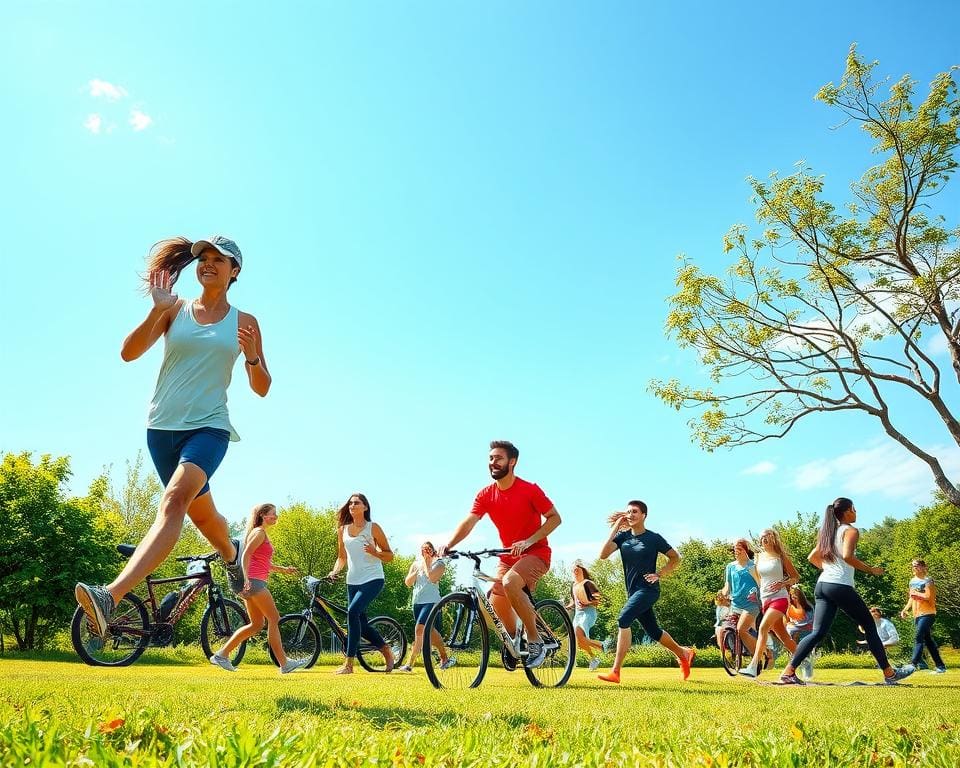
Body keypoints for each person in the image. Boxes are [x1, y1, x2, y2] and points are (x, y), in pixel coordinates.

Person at [76, 236, 269, 639]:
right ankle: (232, 554)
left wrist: (251, 356)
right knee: (202, 516)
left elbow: (262, 386)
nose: (209, 264)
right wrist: (155, 311)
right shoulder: (174, 309)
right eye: (204, 258)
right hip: (161, 430)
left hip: (209, 428)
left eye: (220, 260)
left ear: (235, 272)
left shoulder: (245, 321)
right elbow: (128, 353)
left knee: (174, 501)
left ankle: (110, 596)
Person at [439, 440, 561, 670]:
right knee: (490, 606)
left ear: (512, 462)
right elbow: (469, 521)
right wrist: (449, 544)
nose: (493, 462)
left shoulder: (529, 489)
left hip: (536, 553)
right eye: (491, 458)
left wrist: (528, 541)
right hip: (508, 557)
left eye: (498, 458)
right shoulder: (486, 494)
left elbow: (555, 518)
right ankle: (515, 640)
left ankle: (535, 641)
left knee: (509, 582)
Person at [778, 497, 916, 686]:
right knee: (869, 625)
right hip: (839, 585)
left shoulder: (828, 532)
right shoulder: (850, 531)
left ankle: (788, 673)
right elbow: (847, 556)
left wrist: (828, 570)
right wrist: (870, 569)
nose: (856, 512)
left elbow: (812, 557)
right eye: (854, 509)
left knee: (817, 633)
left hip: (823, 585)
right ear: (847, 511)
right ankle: (890, 673)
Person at [596, 501, 695, 684]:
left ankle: (615, 671)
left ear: (644, 516)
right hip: (633, 592)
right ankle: (684, 653)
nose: (630, 515)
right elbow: (603, 554)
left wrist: (660, 574)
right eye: (628, 512)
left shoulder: (653, 538)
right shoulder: (623, 537)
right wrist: (617, 527)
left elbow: (675, 558)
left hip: (648, 590)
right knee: (653, 632)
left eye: (634, 512)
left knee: (623, 619)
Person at [209, 503, 308, 674]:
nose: (276, 517)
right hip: (254, 582)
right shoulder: (259, 533)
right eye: (272, 514)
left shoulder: (259, 533)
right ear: (262, 515)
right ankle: (284, 663)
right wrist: (247, 578)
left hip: (253, 582)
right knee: (274, 619)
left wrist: (282, 569)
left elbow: (261, 562)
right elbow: (246, 555)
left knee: (256, 624)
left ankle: (222, 654)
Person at [327, 493, 396, 675]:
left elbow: (390, 556)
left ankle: (349, 664)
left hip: (373, 579)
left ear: (365, 507)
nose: (352, 505)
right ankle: (386, 650)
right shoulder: (343, 530)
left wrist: (375, 552)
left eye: (356, 503)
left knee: (352, 613)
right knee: (360, 624)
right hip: (353, 581)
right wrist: (334, 571)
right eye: (350, 503)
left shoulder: (373, 528)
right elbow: (341, 558)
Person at [739, 528, 800, 678]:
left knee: (763, 627)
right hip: (765, 599)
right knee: (784, 637)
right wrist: (754, 592)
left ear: (773, 538)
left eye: (767, 536)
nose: (764, 539)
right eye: (762, 537)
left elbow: (795, 577)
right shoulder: (759, 557)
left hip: (780, 598)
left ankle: (753, 666)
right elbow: (760, 580)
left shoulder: (780, 556)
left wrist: (783, 583)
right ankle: (804, 660)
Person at [399, 541, 453, 672]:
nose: (425, 551)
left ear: (433, 550)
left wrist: (427, 564)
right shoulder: (416, 564)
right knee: (425, 633)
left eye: (428, 549)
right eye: (423, 549)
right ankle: (443, 658)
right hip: (417, 602)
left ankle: (411, 663)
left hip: (432, 601)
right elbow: (408, 582)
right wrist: (416, 571)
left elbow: (432, 578)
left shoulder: (439, 563)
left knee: (420, 629)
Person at [901, 560, 946, 673]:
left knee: (918, 636)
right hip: (917, 614)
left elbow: (929, 597)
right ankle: (940, 666)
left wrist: (916, 594)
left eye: (916, 566)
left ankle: (913, 664)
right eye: (913, 566)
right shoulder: (912, 581)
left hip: (928, 613)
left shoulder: (928, 581)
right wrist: (905, 609)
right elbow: (911, 598)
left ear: (924, 567)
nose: (914, 568)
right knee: (928, 641)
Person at [721, 538, 761, 662]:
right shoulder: (730, 566)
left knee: (744, 629)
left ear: (746, 550)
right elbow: (728, 584)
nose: (736, 551)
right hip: (735, 604)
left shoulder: (753, 565)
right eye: (735, 549)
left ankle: (757, 658)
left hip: (751, 603)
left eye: (739, 549)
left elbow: (760, 584)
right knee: (727, 627)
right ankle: (733, 652)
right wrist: (723, 593)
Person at [566, 561, 604, 670]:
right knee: (578, 641)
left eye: (577, 570)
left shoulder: (588, 583)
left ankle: (602, 646)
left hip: (589, 612)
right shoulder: (573, 586)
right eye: (574, 570)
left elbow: (597, 599)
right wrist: (567, 607)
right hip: (578, 613)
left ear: (582, 571)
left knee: (579, 632)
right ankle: (594, 659)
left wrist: (588, 602)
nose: (575, 572)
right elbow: (573, 602)